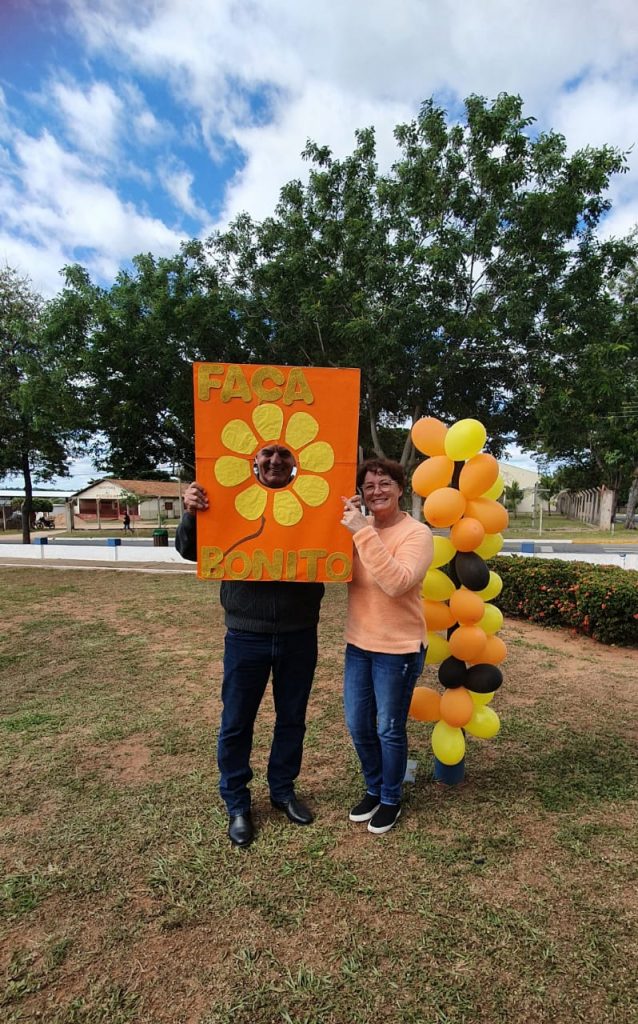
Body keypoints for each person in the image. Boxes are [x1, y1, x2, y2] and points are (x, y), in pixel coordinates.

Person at [175, 443, 323, 848]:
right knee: (237, 722)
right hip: (246, 635)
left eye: (284, 454)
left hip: (298, 633)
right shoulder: (223, 502)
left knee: (292, 718)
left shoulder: (317, 502)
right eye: (267, 453)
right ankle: (237, 802)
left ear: (297, 461)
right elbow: (190, 550)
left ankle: (282, 791)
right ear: (252, 460)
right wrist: (191, 512)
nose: (275, 460)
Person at [340, 458, 433, 835]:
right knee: (358, 724)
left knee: (388, 728)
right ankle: (374, 787)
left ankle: (391, 798)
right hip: (359, 642)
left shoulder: (417, 533)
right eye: (368, 485)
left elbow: (397, 582)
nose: (376, 491)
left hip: (399, 648)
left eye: (385, 484)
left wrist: (364, 532)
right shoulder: (355, 529)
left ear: (400, 488)